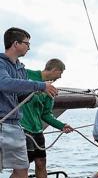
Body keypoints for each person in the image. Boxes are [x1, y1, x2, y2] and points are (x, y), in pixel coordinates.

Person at [0, 27, 57, 178]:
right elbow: (4, 83)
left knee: (22, 170)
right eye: (27, 43)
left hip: (15, 125)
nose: (29, 47)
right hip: (2, 123)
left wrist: (33, 93)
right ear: (15, 43)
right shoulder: (0, 63)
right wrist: (40, 85)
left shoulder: (21, 68)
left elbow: (19, 96)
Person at [20, 58, 74, 178]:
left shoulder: (50, 90)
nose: (60, 77)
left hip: (37, 130)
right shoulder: (26, 74)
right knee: (23, 166)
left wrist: (61, 125)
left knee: (41, 162)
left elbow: (46, 114)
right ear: (54, 70)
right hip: (23, 128)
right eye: (60, 73)